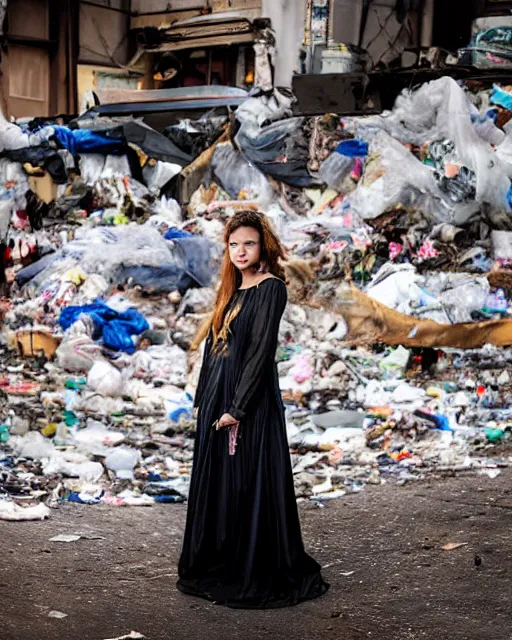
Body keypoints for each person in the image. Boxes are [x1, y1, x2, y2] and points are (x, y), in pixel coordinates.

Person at [177, 210, 329, 609]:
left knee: (247, 483)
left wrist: (238, 408)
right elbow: (214, 351)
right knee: (221, 485)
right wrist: (205, 400)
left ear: (263, 246)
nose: (241, 251)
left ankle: (252, 566)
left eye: (249, 243)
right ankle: (221, 559)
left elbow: (260, 354)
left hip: (250, 404)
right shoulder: (230, 291)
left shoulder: (270, 289)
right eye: (234, 245)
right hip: (218, 398)